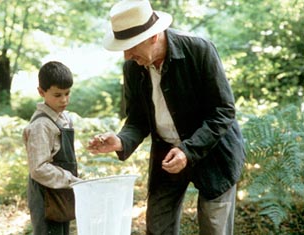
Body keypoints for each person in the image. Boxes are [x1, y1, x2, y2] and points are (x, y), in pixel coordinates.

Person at [87, 0, 245, 234]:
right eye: (123, 47)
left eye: (131, 46)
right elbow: (137, 119)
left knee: (215, 227)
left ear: (153, 36)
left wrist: (188, 151)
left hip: (214, 154)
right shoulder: (133, 67)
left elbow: (223, 111)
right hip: (166, 154)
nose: (127, 55)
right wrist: (121, 140)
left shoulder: (199, 50)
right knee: (158, 227)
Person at [23, 61, 80, 235]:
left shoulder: (64, 119)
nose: (64, 100)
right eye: (57, 95)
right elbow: (39, 169)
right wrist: (71, 180)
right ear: (41, 92)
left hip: (61, 191)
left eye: (67, 93)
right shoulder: (41, 125)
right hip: (45, 195)